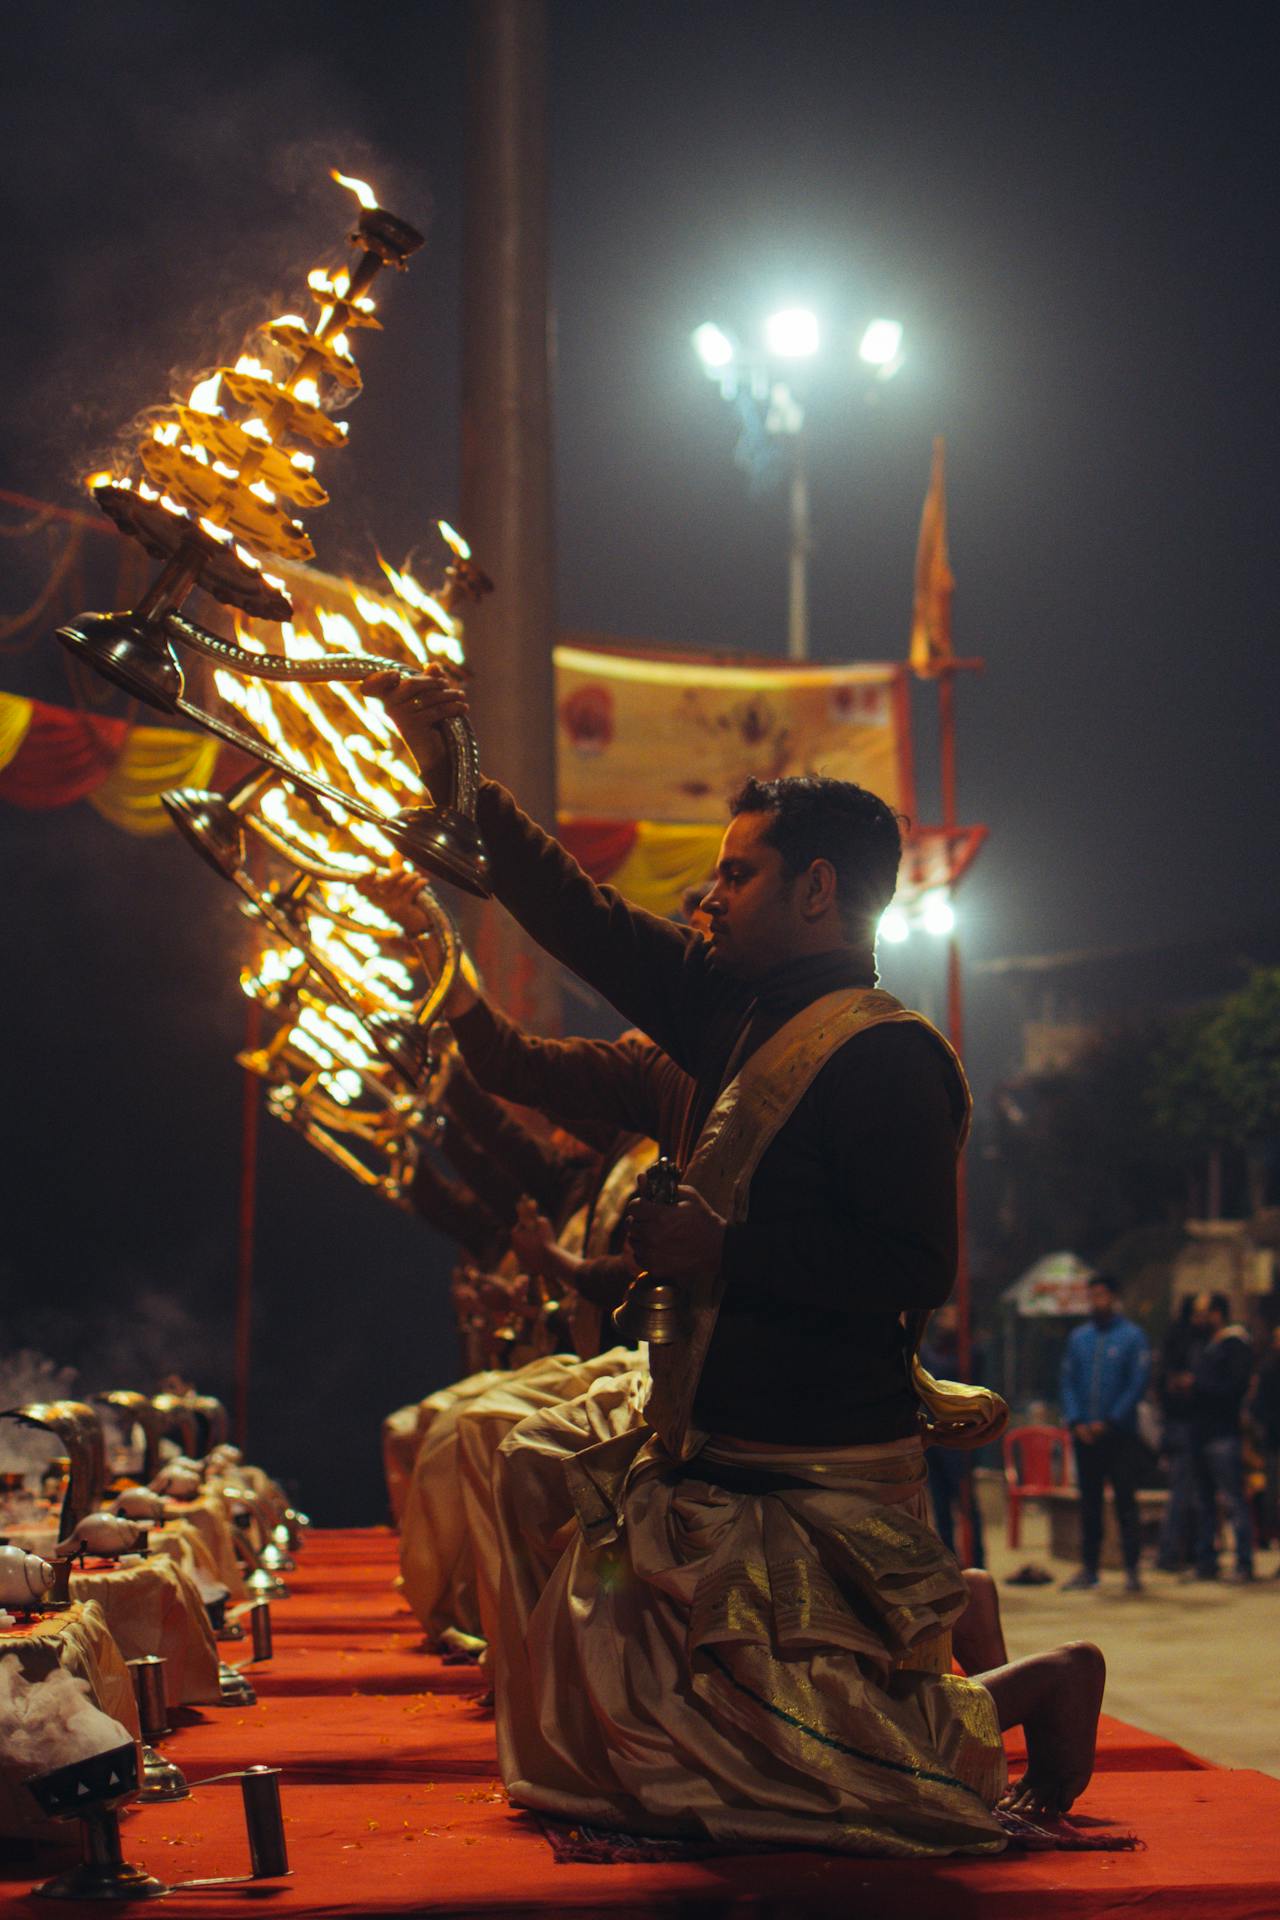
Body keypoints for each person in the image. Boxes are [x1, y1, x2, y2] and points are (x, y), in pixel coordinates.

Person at [367, 665, 1110, 1848]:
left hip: (813, 1457)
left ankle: (1037, 1685)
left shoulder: (889, 1059)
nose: (706, 898)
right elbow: (581, 918)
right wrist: (452, 755)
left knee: (786, 1777)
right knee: (598, 1723)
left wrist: (724, 1248)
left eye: (735, 871)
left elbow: (910, 1267)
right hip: (707, 1447)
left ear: (817, 888)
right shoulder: (726, 1012)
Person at [1059, 1274, 1151, 1593]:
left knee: (1125, 1500)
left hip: (1120, 1436)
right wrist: (1076, 1421)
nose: (1096, 1301)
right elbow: (1068, 1382)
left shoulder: (1133, 1337)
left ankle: (1132, 1569)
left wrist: (1110, 1421)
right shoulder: (1079, 1339)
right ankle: (1089, 1568)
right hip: (1085, 1436)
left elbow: (1136, 1384)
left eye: (1102, 1295)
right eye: (1092, 1295)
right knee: (1090, 1502)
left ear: (1114, 1297)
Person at [1188, 1291, 1255, 1583]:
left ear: (1217, 1313)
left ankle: (1244, 1562)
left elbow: (1234, 1387)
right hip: (1200, 1432)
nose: (1198, 1318)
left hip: (1223, 1433)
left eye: (1203, 1312)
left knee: (1233, 1499)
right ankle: (1206, 1561)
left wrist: (1199, 1385)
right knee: (1203, 1501)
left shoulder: (1235, 1344)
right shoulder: (1205, 1344)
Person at [919, 1302, 986, 1566]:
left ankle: (976, 1561)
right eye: (945, 1315)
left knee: (966, 1502)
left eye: (953, 1315)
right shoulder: (926, 1351)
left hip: (959, 1437)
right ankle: (949, 1560)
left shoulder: (971, 1353)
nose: (947, 1319)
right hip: (934, 1435)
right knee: (940, 1503)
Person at [1153, 1294, 1204, 1573]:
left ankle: (1186, 1551)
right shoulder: (1188, 1342)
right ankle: (1171, 1552)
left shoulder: (1172, 1341)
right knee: (1183, 1492)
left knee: (1187, 1492)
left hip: (1176, 1426)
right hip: (1184, 1426)